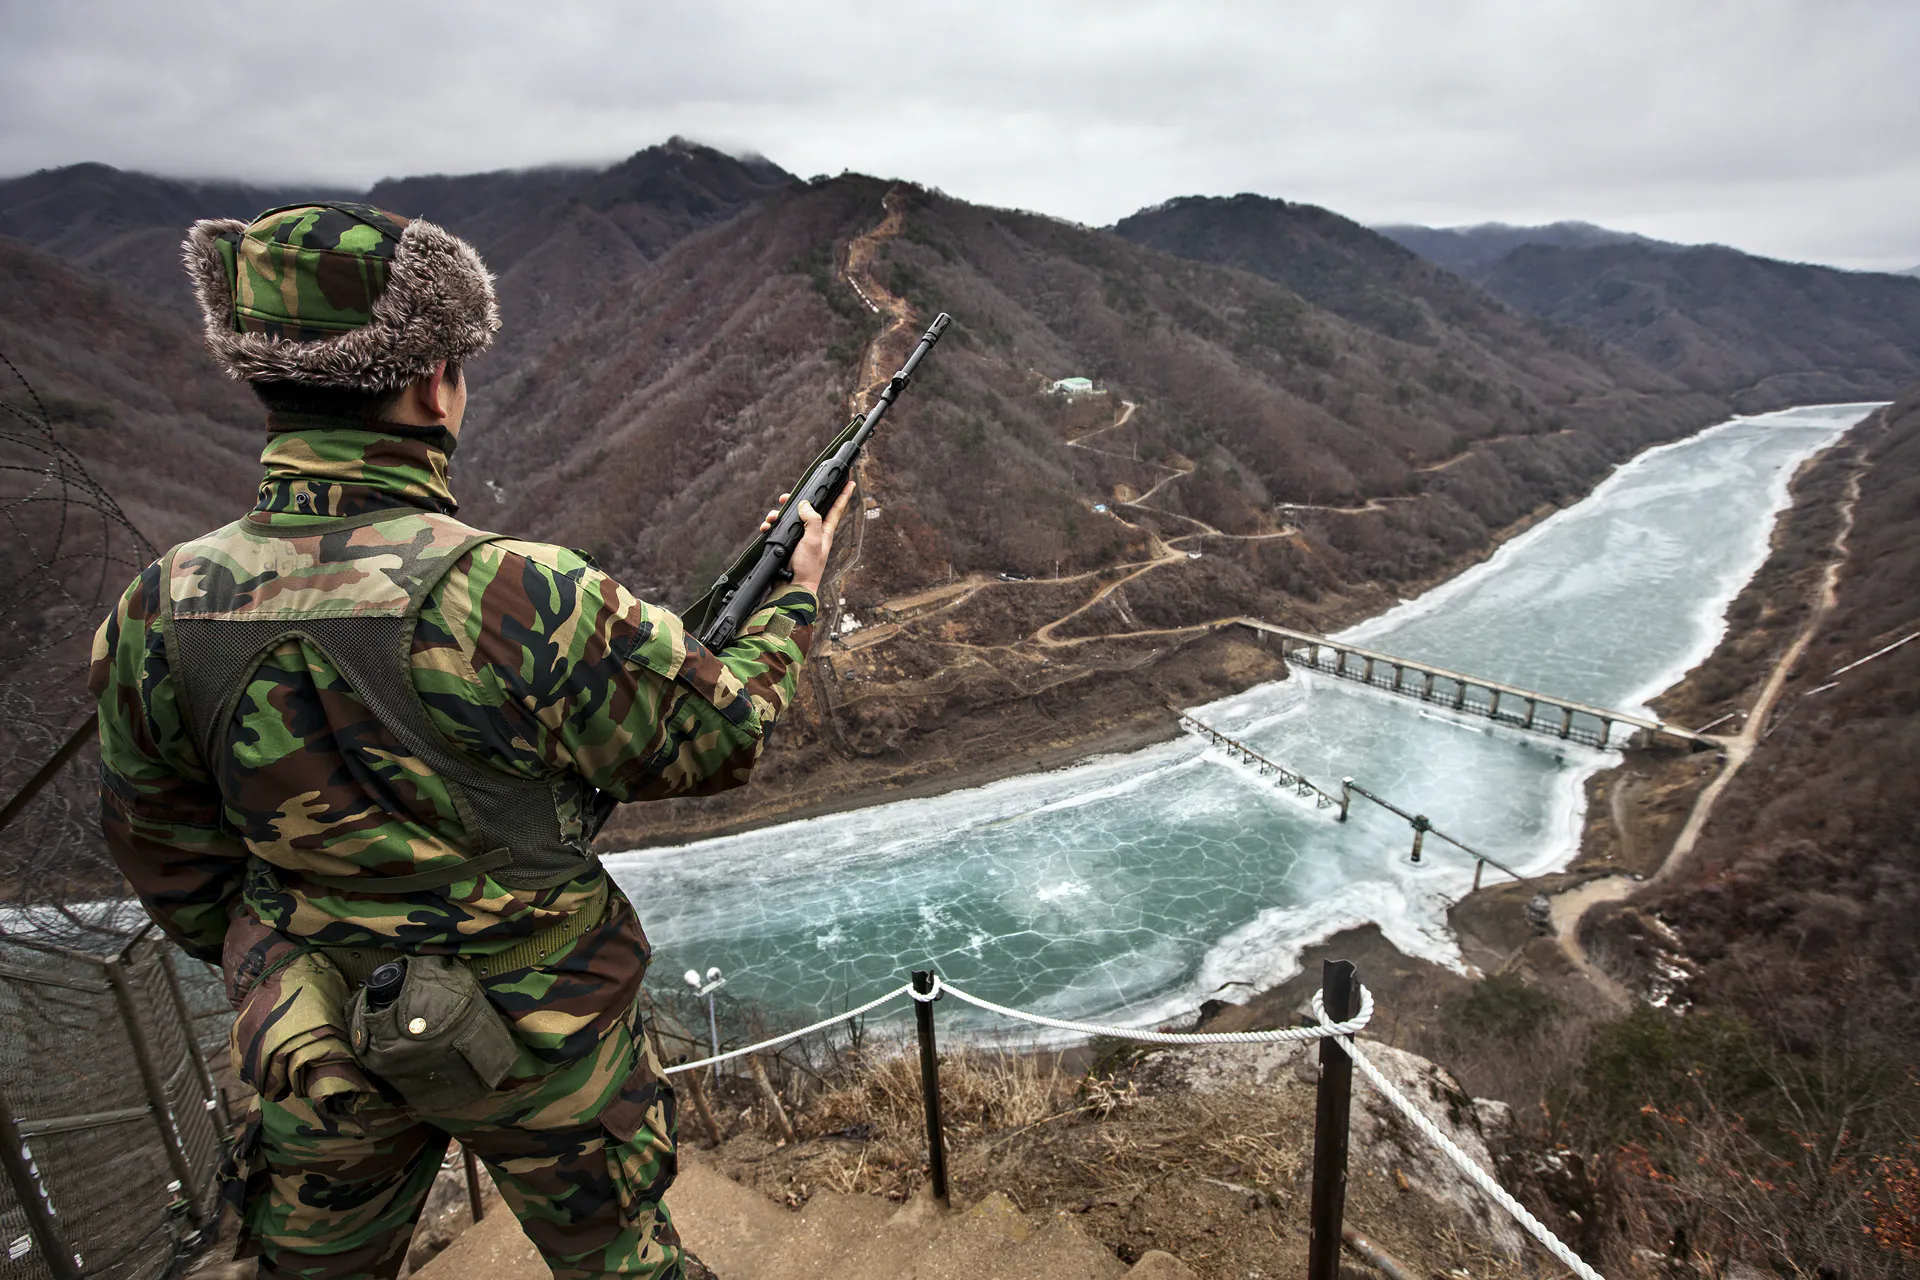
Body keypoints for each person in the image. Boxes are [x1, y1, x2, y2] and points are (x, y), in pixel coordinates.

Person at [89, 201, 848, 1280]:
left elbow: (164, 852)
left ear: (264, 384)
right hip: (545, 1031)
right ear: (434, 382)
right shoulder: (514, 590)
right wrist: (796, 597)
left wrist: (294, 953)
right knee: (622, 1263)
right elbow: (720, 734)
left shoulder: (158, 607)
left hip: (321, 1038)